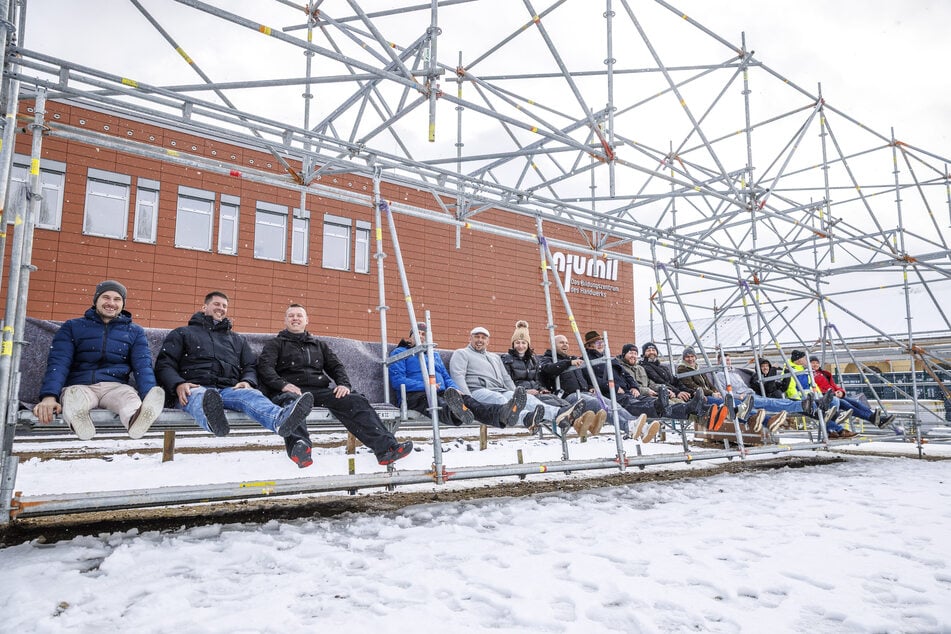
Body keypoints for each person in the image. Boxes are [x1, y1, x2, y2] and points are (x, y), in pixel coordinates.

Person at [154, 291, 315, 466]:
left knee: (251, 395)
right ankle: (213, 420)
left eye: (224, 306)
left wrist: (247, 381)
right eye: (216, 304)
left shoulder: (237, 340)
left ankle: (279, 420)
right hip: (193, 387)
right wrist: (178, 383)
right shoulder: (182, 333)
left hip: (228, 390)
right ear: (204, 307)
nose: (221, 308)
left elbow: (250, 366)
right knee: (200, 395)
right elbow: (165, 364)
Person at [257, 304, 414, 468]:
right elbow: (265, 368)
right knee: (292, 404)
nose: (295, 318)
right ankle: (300, 450)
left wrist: (343, 384)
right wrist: (283, 385)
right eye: (291, 316)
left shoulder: (319, 345)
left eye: (299, 315)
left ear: (306, 320)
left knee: (355, 400)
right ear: (285, 320)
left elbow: (336, 366)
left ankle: (386, 449)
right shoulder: (275, 344)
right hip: (291, 392)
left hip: (319, 392)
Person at [32, 280, 166, 440]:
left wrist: (148, 396)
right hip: (81, 385)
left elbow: (143, 366)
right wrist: (49, 396)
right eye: (106, 297)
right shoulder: (73, 327)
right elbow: (59, 362)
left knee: (130, 399)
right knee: (74, 398)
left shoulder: (134, 331)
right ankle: (78, 419)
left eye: (117, 299)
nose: (111, 303)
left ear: (123, 304)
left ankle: (136, 419)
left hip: (115, 388)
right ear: (96, 300)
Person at [388, 322, 527, 428]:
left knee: (469, 401)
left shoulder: (433, 355)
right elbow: (398, 380)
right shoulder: (400, 353)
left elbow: (446, 376)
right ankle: (456, 413)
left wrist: (455, 388)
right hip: (416, 395)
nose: (421, 337)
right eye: (417, 333)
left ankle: (502, 413)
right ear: (410, 337)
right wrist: (426, 385)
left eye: (424, 334)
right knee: (438, 403)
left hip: (441, 391)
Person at [449, 325, 584, 433]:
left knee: (530, 399)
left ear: (488, 341)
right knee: (499, 400)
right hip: (478, 390)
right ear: (470, 338)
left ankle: (559, 414)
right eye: (476, 337)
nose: (480, 340)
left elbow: (506, 378)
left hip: (500, 389)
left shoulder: (494, 357)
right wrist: (467, 398)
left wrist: (518, 395)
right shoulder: (462, 353)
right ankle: (527, 418)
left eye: (483, 338)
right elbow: (458, 375)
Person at [809, 356, 895, 429]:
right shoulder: (810, 374)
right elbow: (816, 388)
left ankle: (876, 418)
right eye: (813, 363)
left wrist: (841, 392)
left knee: (857, 403)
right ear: (809, 364)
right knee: (849, 406)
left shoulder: (825, 373)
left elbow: (834, 385)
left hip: (835, 394)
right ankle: (876, 420)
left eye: (817, 363)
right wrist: (831, 393)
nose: (815, 364)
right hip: (827, 397)